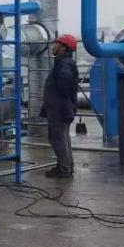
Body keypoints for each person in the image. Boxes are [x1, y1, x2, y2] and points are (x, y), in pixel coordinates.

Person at [40, 34, 79, 178]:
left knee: (57, 138)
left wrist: (55, 101)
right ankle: (66, 166)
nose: (53, 46)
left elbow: (64, 85)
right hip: (62, 107)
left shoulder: (64, 64)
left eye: (56, 44)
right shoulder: (64, 62)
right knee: (63, 138)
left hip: (59, 108)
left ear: (63, 48)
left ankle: (64, 169)